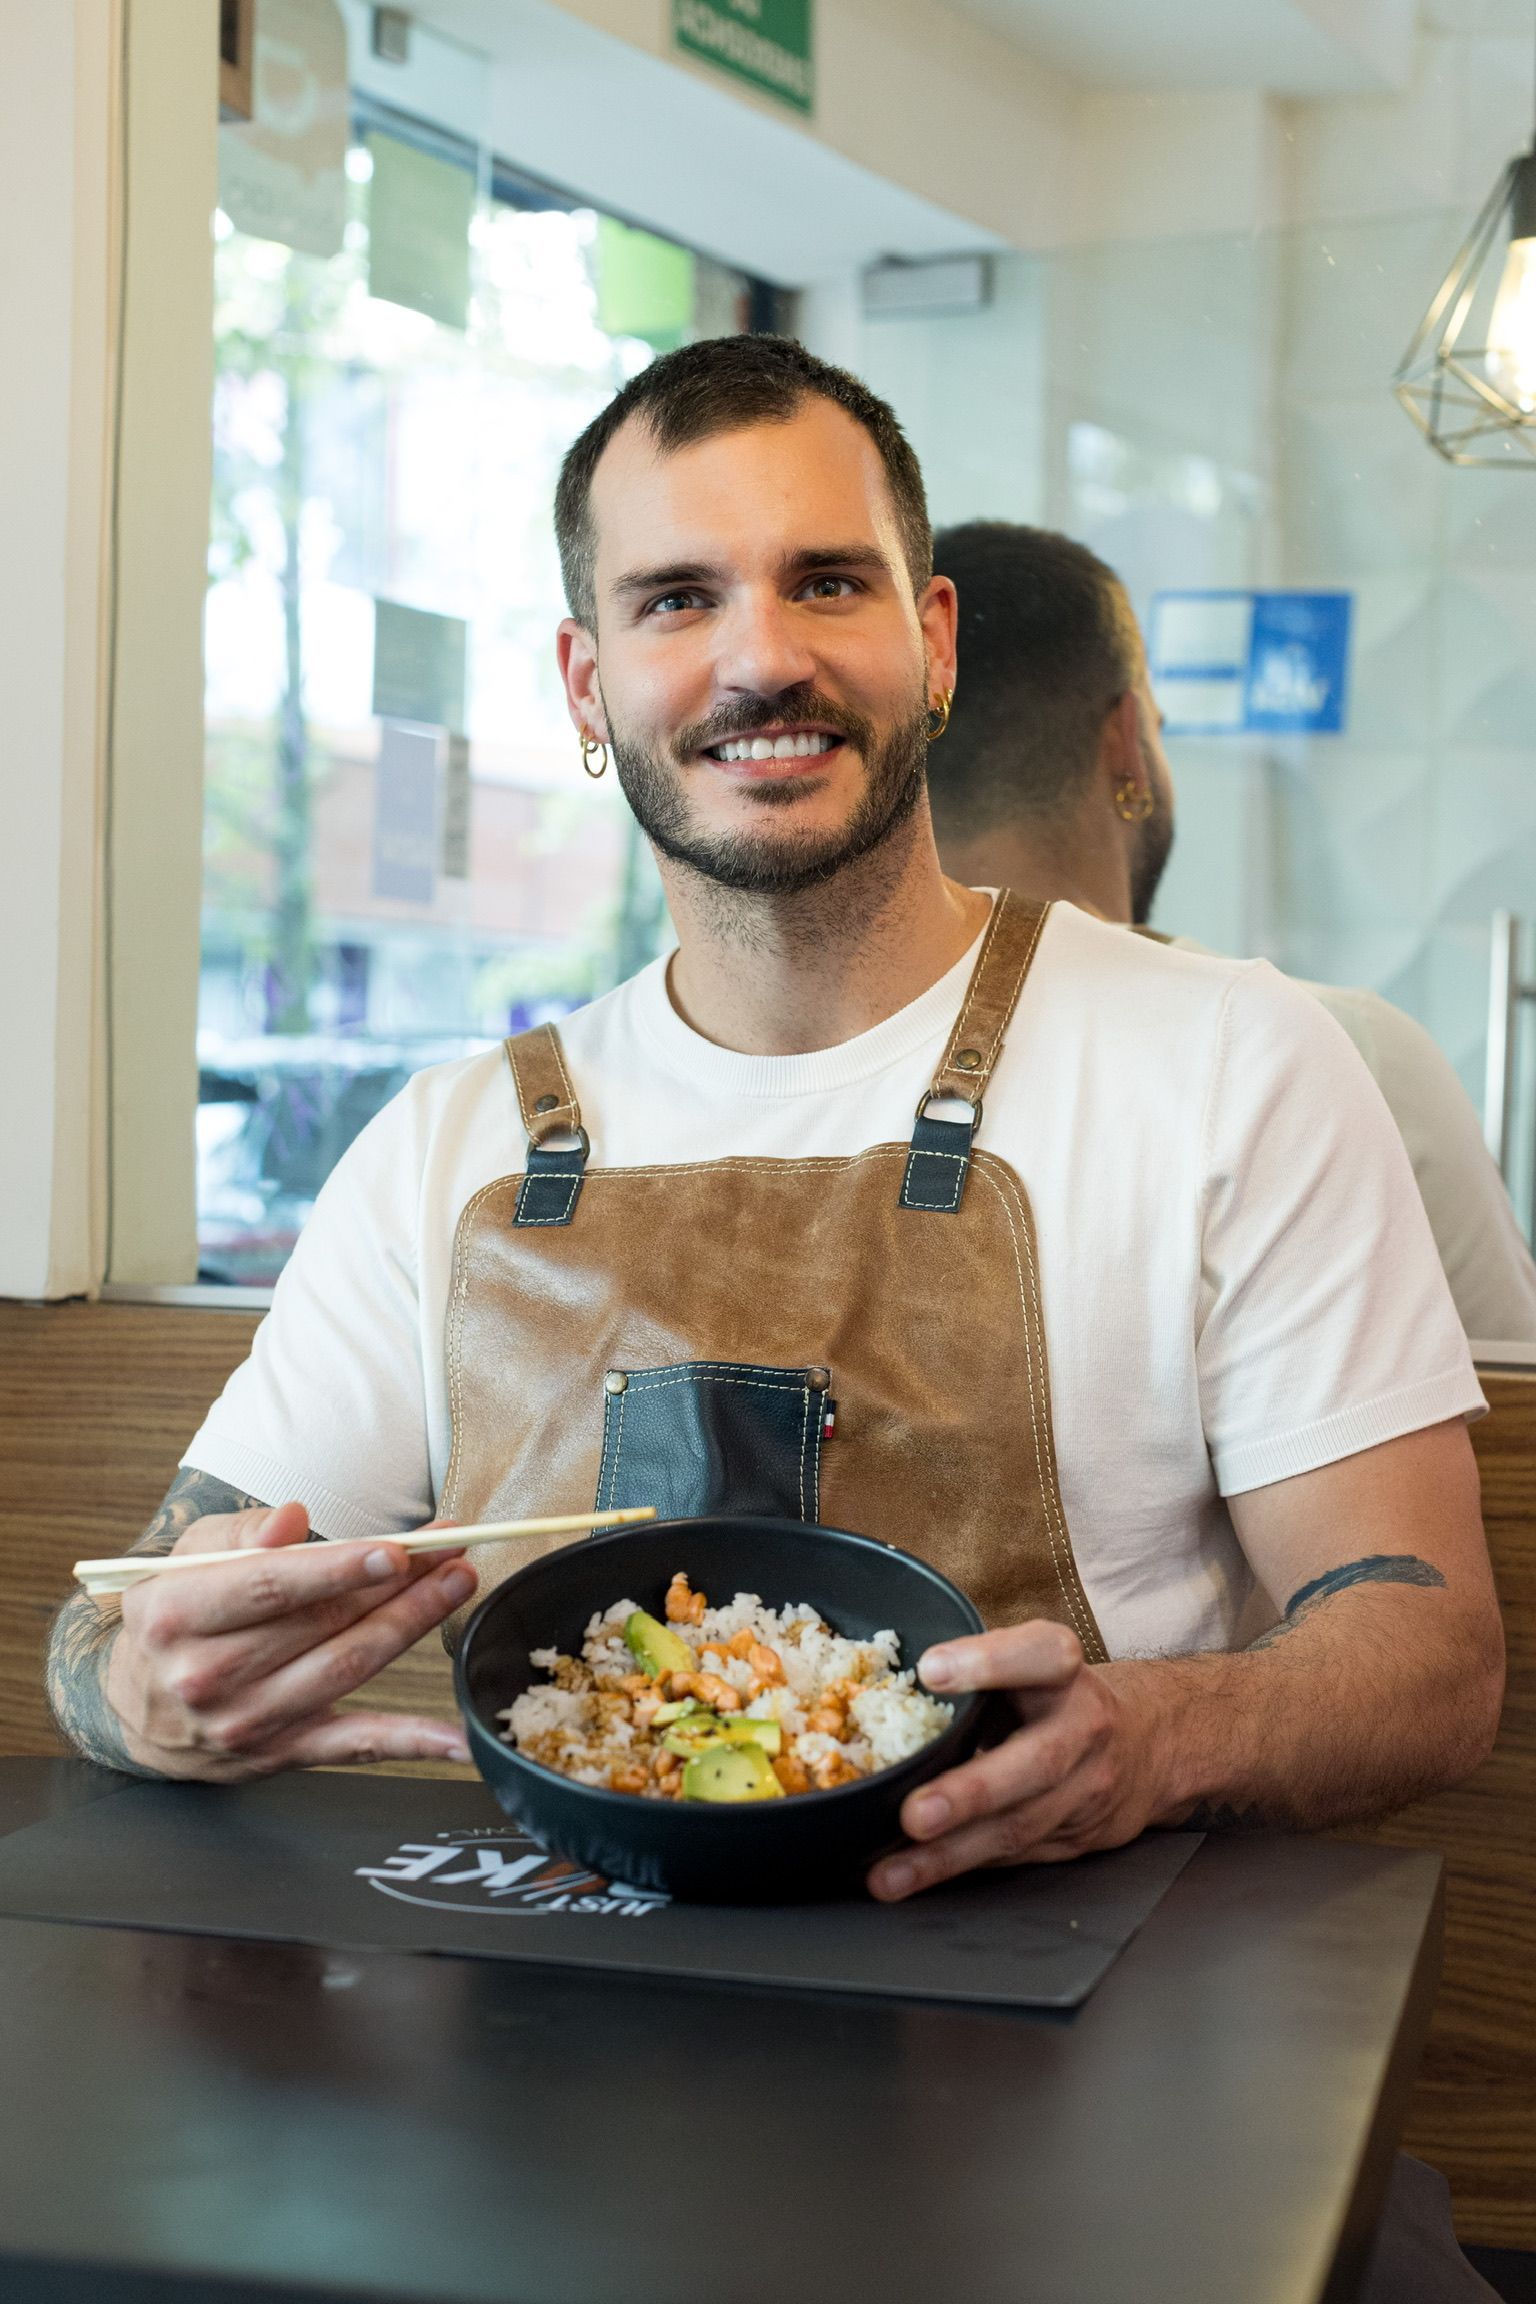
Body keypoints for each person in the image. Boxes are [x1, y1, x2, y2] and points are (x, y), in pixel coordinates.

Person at [47, 339, 1501, 1892]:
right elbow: (114, 1624)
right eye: (679, 598)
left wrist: (1151, 1736)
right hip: (539, 2046)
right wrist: (145, 1694)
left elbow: (1427, 1655)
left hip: (1071, 2040)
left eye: (826, 583)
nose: (762, 661)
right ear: (586, 684)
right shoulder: (443, 1148)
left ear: (933, 640)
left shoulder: (1233, 1063)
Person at [926, 518, 1536, 1345]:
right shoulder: (1342, 1052)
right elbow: (1514, 1434)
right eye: (1161, 731)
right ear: (1126, 749)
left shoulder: (805, 1065)